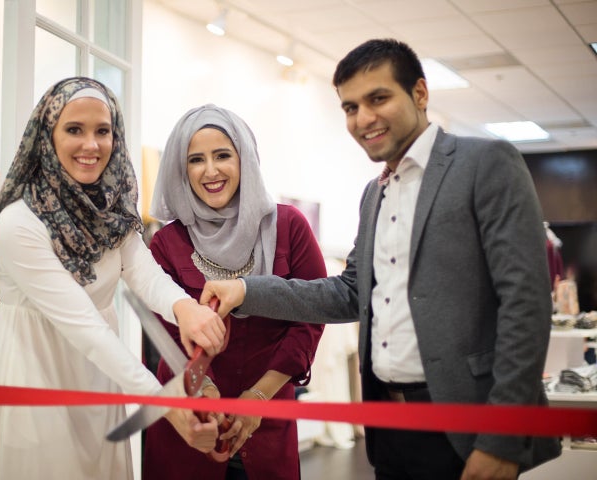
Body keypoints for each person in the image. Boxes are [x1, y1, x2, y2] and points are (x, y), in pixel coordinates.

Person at [201, 39, 562, 480]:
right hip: (390, 427)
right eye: (350, 107)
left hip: (466, 422)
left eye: (378, 98)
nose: (363, 118)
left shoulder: (484, 164)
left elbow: (526, 304)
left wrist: (503, 438)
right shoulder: (375, 193)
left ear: (420, 94)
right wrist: (246, 290)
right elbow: (350, 291)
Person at [0, 77, 226, 480]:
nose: (91, 145)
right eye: (74, 130)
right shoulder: (19, 223)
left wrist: (186, 310)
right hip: (35, 377)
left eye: (103, 131)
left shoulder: (111, 212)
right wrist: (163, 401)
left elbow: (144, 273)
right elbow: (83, 325)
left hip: (96, 377)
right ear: (47, 136)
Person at [142, 104, 326, 480]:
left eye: (223, 155)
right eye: (196, 159)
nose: (210, 171)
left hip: (270, 420)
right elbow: (165, 333)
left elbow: (311, 318)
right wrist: (206, 393)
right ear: (182, 169)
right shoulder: (166, 242)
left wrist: (258, 398)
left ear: (245, 159)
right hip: (192, 424)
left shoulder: (290, 227)